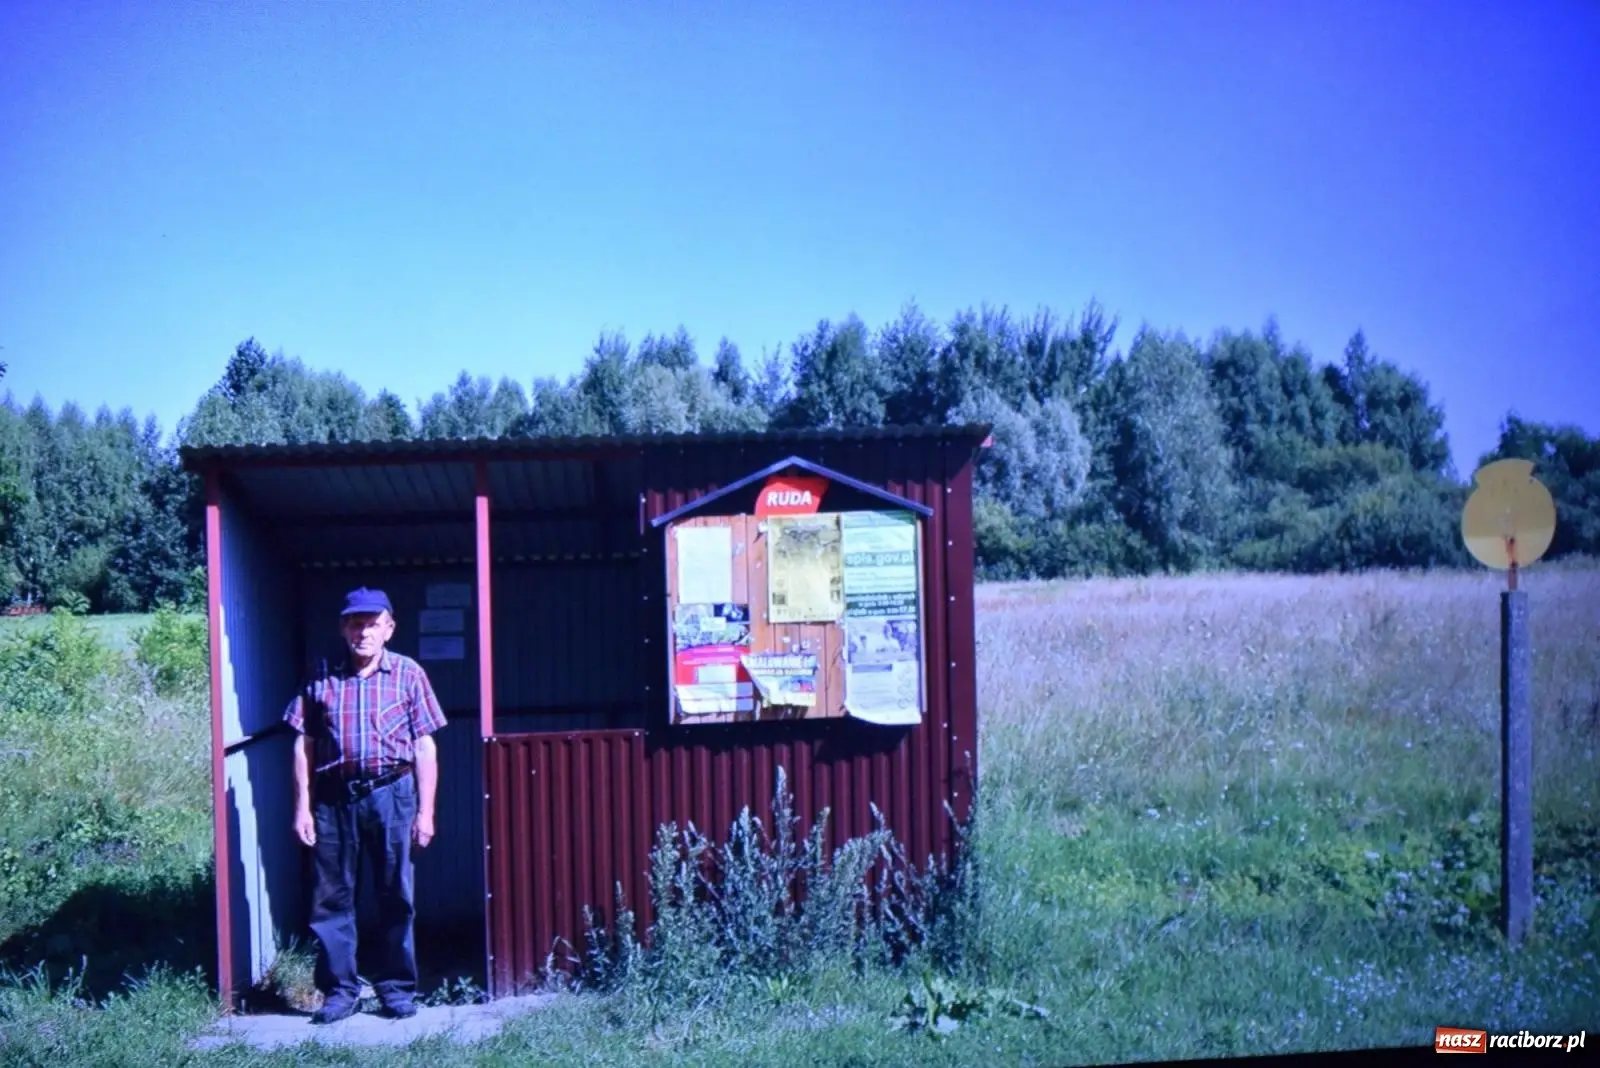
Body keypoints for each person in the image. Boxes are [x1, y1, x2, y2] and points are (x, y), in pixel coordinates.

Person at [284, 587, 446, 1023]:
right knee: (331, 899)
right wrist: (302, 807)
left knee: (396, 895)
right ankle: (340, 992)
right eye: (356, 624)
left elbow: (425, 746)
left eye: (372, 624)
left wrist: (426, 812)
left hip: (393, 795)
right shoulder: (320, 675)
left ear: (389, 629)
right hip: (334, 799)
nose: (363, 633)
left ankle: (396, 989)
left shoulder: (409, 674)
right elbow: (304, 744)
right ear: (343, 628)